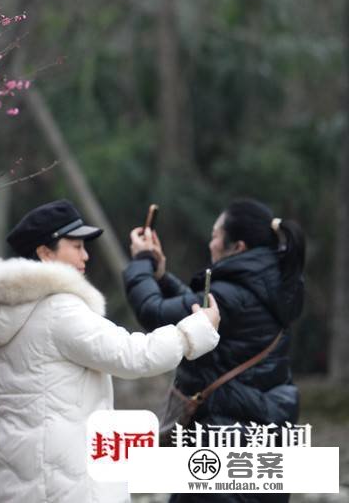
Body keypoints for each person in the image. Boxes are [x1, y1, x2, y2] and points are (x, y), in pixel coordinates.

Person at [0, 199, 221, 503]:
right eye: (76, 246)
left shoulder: (8, 312)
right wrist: (195, 329)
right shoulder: (58, 309)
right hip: (69, 484)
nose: (85, 256)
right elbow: (133, 356)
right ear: (46, 252)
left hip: (21, 479)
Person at [123, 199, 306, 503]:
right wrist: (162, 278)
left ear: (238, 246)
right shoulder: (272, 286)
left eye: (216, 235)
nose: (211, 243)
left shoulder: (233, 293)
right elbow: (202, 312)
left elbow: (153, 312)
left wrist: (141, 262)